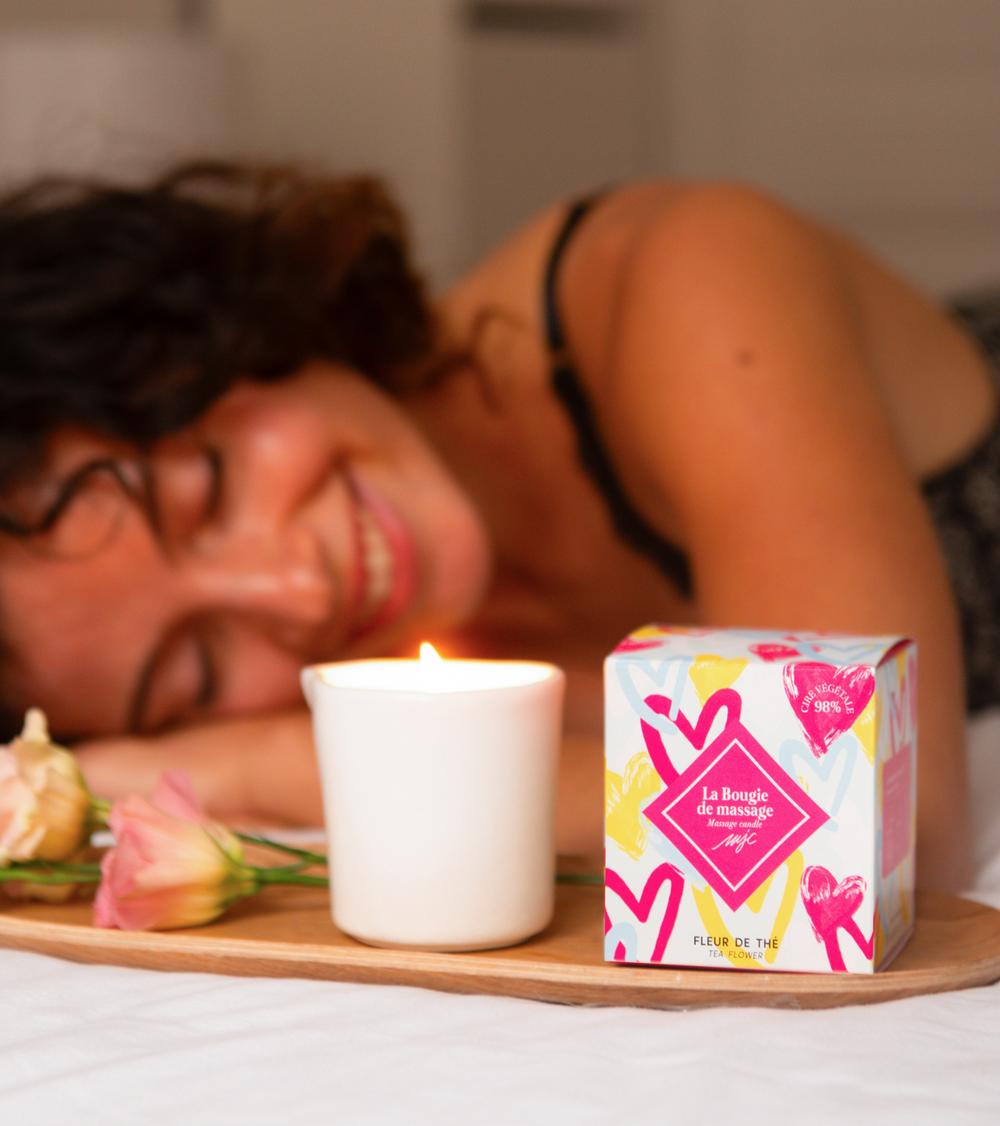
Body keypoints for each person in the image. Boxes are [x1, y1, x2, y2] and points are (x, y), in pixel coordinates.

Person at [0, 162, 992, 893]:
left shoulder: (682, 274)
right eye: (199, 668)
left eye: (213, 489)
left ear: (218, 326)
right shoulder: (402, 655)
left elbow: (874, 823)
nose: (296, 589)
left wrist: (277, 761)